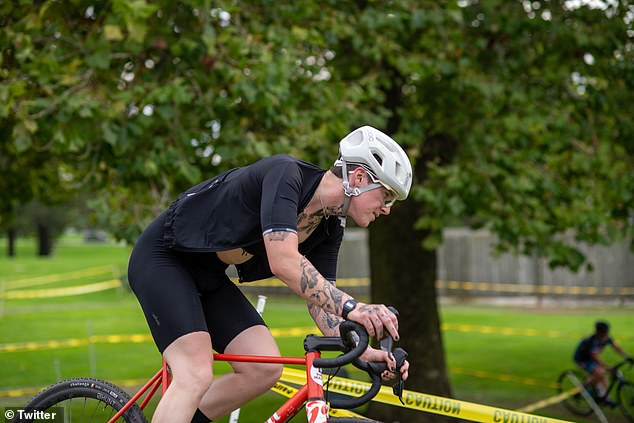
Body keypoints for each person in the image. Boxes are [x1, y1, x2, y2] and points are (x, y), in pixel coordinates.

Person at [128, 126, 413, 423]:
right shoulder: (286, 175)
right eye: (387, 196)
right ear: (359, 179)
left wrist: (365, 353)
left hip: (207, 274)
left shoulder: (330, 226)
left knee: (264, 368)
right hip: (164, 257)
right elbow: (283, 260)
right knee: (194, 374)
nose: (387, 209)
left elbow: (320, 302)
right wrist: (354, 307)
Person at [574, 320, 632, 405]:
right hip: (582, 359)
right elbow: (595, 356)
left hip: (592, 358)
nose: (606, 334)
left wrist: (627, 356)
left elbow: (616, 348)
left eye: (606, 332)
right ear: (598, 332)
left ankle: (603, 396)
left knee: (604, 375)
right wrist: (607, 366)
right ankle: (582, 389)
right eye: (604, 333)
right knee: (600, 373)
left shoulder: (606, 337)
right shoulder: (592, 340)